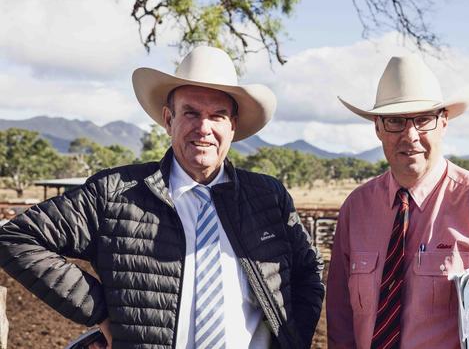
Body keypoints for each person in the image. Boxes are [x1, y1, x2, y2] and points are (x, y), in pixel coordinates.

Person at [0, 46, 324, 349]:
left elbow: (308, 272)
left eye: (218, 115)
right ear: (169, 120)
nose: (204, 128)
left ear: (233, 126)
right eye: (191, 113)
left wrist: (292, 338)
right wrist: (100, 310)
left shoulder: (268, 197)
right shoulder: (115, 192)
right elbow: (16, 237)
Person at [326, 55, 469, 348]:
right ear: (377, 128)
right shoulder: (356, 209)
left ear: (443, 123)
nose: (410, 135)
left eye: (423, 120)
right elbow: (341, 325)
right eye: (395, 121)